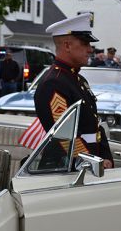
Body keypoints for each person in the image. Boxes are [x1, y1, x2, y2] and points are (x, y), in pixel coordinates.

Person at [34, 12, 113, 169]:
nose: (90, 49)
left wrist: (106, 157)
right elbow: (65, 137)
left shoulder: (78, 80)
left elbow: (96, 127)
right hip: (66, 170)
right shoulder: (53, 83)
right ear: (67, 46)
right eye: (85, 43)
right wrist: (93, 163)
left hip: (88, 167)